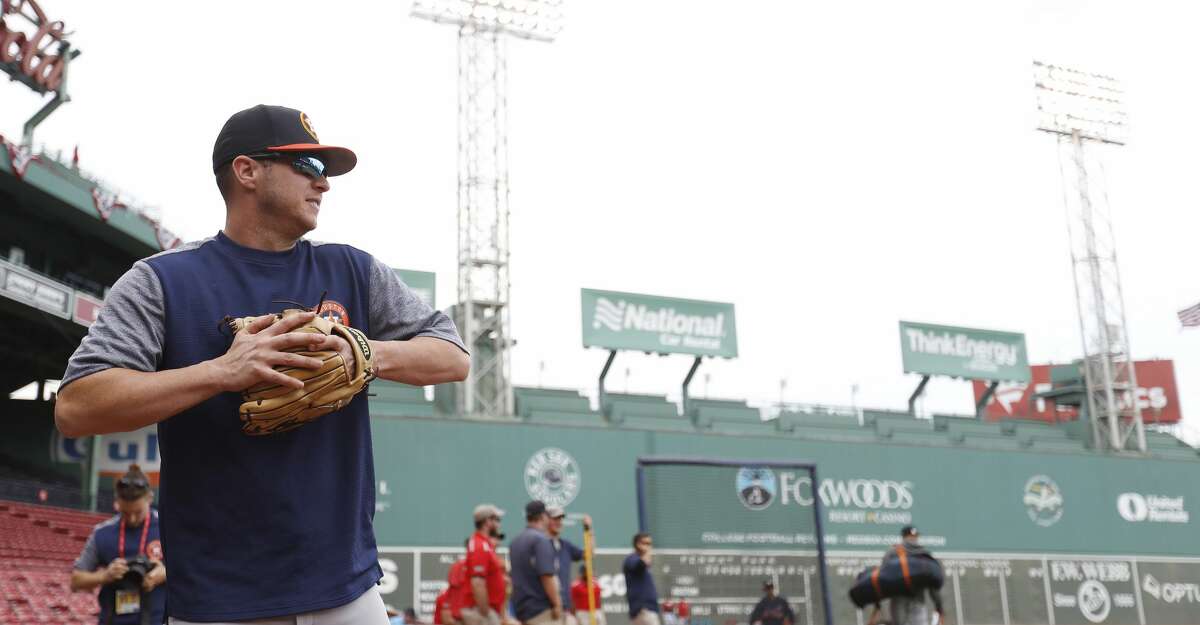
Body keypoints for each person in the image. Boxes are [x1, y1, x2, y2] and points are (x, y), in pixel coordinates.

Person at [54, 104, 470, 624]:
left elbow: (453, 357)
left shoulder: (353, 269)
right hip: (219, 602)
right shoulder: (162, 281)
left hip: (348, 590)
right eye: (309, 167)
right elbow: (76, 406)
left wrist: (364, 352)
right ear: (247, 171)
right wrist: (220, 372)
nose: (324, 184)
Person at [70, 464, 167, 625]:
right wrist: (105, 575)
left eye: (138, 512)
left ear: (150, 498)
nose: (132, 519)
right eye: (126, 513)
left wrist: (164, 573)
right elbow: (75, 581)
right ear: (117, 502)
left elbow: (192, 568)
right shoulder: (102, 533)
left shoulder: (166, 528)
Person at [868, 526, 946, 625]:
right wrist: (939, 607)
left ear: (903, 537)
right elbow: (933, 585)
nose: (913, 539)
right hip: (918, 601)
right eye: (913, 536)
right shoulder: (924, 554)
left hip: (898, 600)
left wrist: (877, 607)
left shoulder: (893, 553)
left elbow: (882, 580)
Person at [509, 501, 562, 625]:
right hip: (541, 611)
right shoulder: (541, 540)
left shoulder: (515, 542)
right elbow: (546, 576)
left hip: (522, 612)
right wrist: (557, 604)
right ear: (543, 516)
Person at [463, 505, 507, 625]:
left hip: (487, 611)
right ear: (488, 521)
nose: (499, 524)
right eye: (497, 520)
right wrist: (486, 614)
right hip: (481, 612)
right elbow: (477, 583)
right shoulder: (479, 545)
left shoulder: (484, 544)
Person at [546, 506, 590, 625]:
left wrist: (588, 530)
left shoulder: (565, 545)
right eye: (555, 519)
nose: (558, 522)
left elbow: (589, 554)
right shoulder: (540, 544)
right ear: (545, 520)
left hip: (566, 608)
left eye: (560, 519)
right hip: (547, 609)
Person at [623, 533, 660, 625]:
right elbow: (643, 563)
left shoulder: (639, 560)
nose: (649, 546)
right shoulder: (631, 559)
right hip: (643, 609)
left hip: (647, 609)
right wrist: (648, 551)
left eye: (650, 544)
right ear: (638, 544)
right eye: (646, 543)